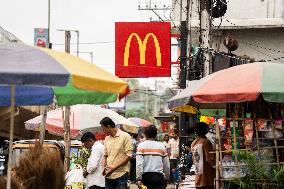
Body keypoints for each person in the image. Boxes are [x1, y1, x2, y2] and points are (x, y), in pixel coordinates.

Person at [100, 117, 133, 189]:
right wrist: (103, 167)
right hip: (109, 175)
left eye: (103, 129)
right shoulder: (107, 138)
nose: (103, 131)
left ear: (108, 127)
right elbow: (105, 155)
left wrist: (114, 168)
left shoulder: (126, 136)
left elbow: (128, 156)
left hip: (121, 175)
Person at [136, 125, 170, 189]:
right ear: (156, 135)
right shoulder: (161, 146)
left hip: (145, 177)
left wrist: (139, 179)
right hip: (159, 178)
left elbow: (139, 164)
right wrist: (166, 177)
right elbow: (167, 165)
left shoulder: (141, 146)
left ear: (146, 135)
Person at [191, 122, 215, 189]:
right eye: (207, 129)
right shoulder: (206, 142)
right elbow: (209, 159)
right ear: (205, 130)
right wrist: (216, 168)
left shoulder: (194, 143)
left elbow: (194, 159)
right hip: (206, 178)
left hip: (198, 176)